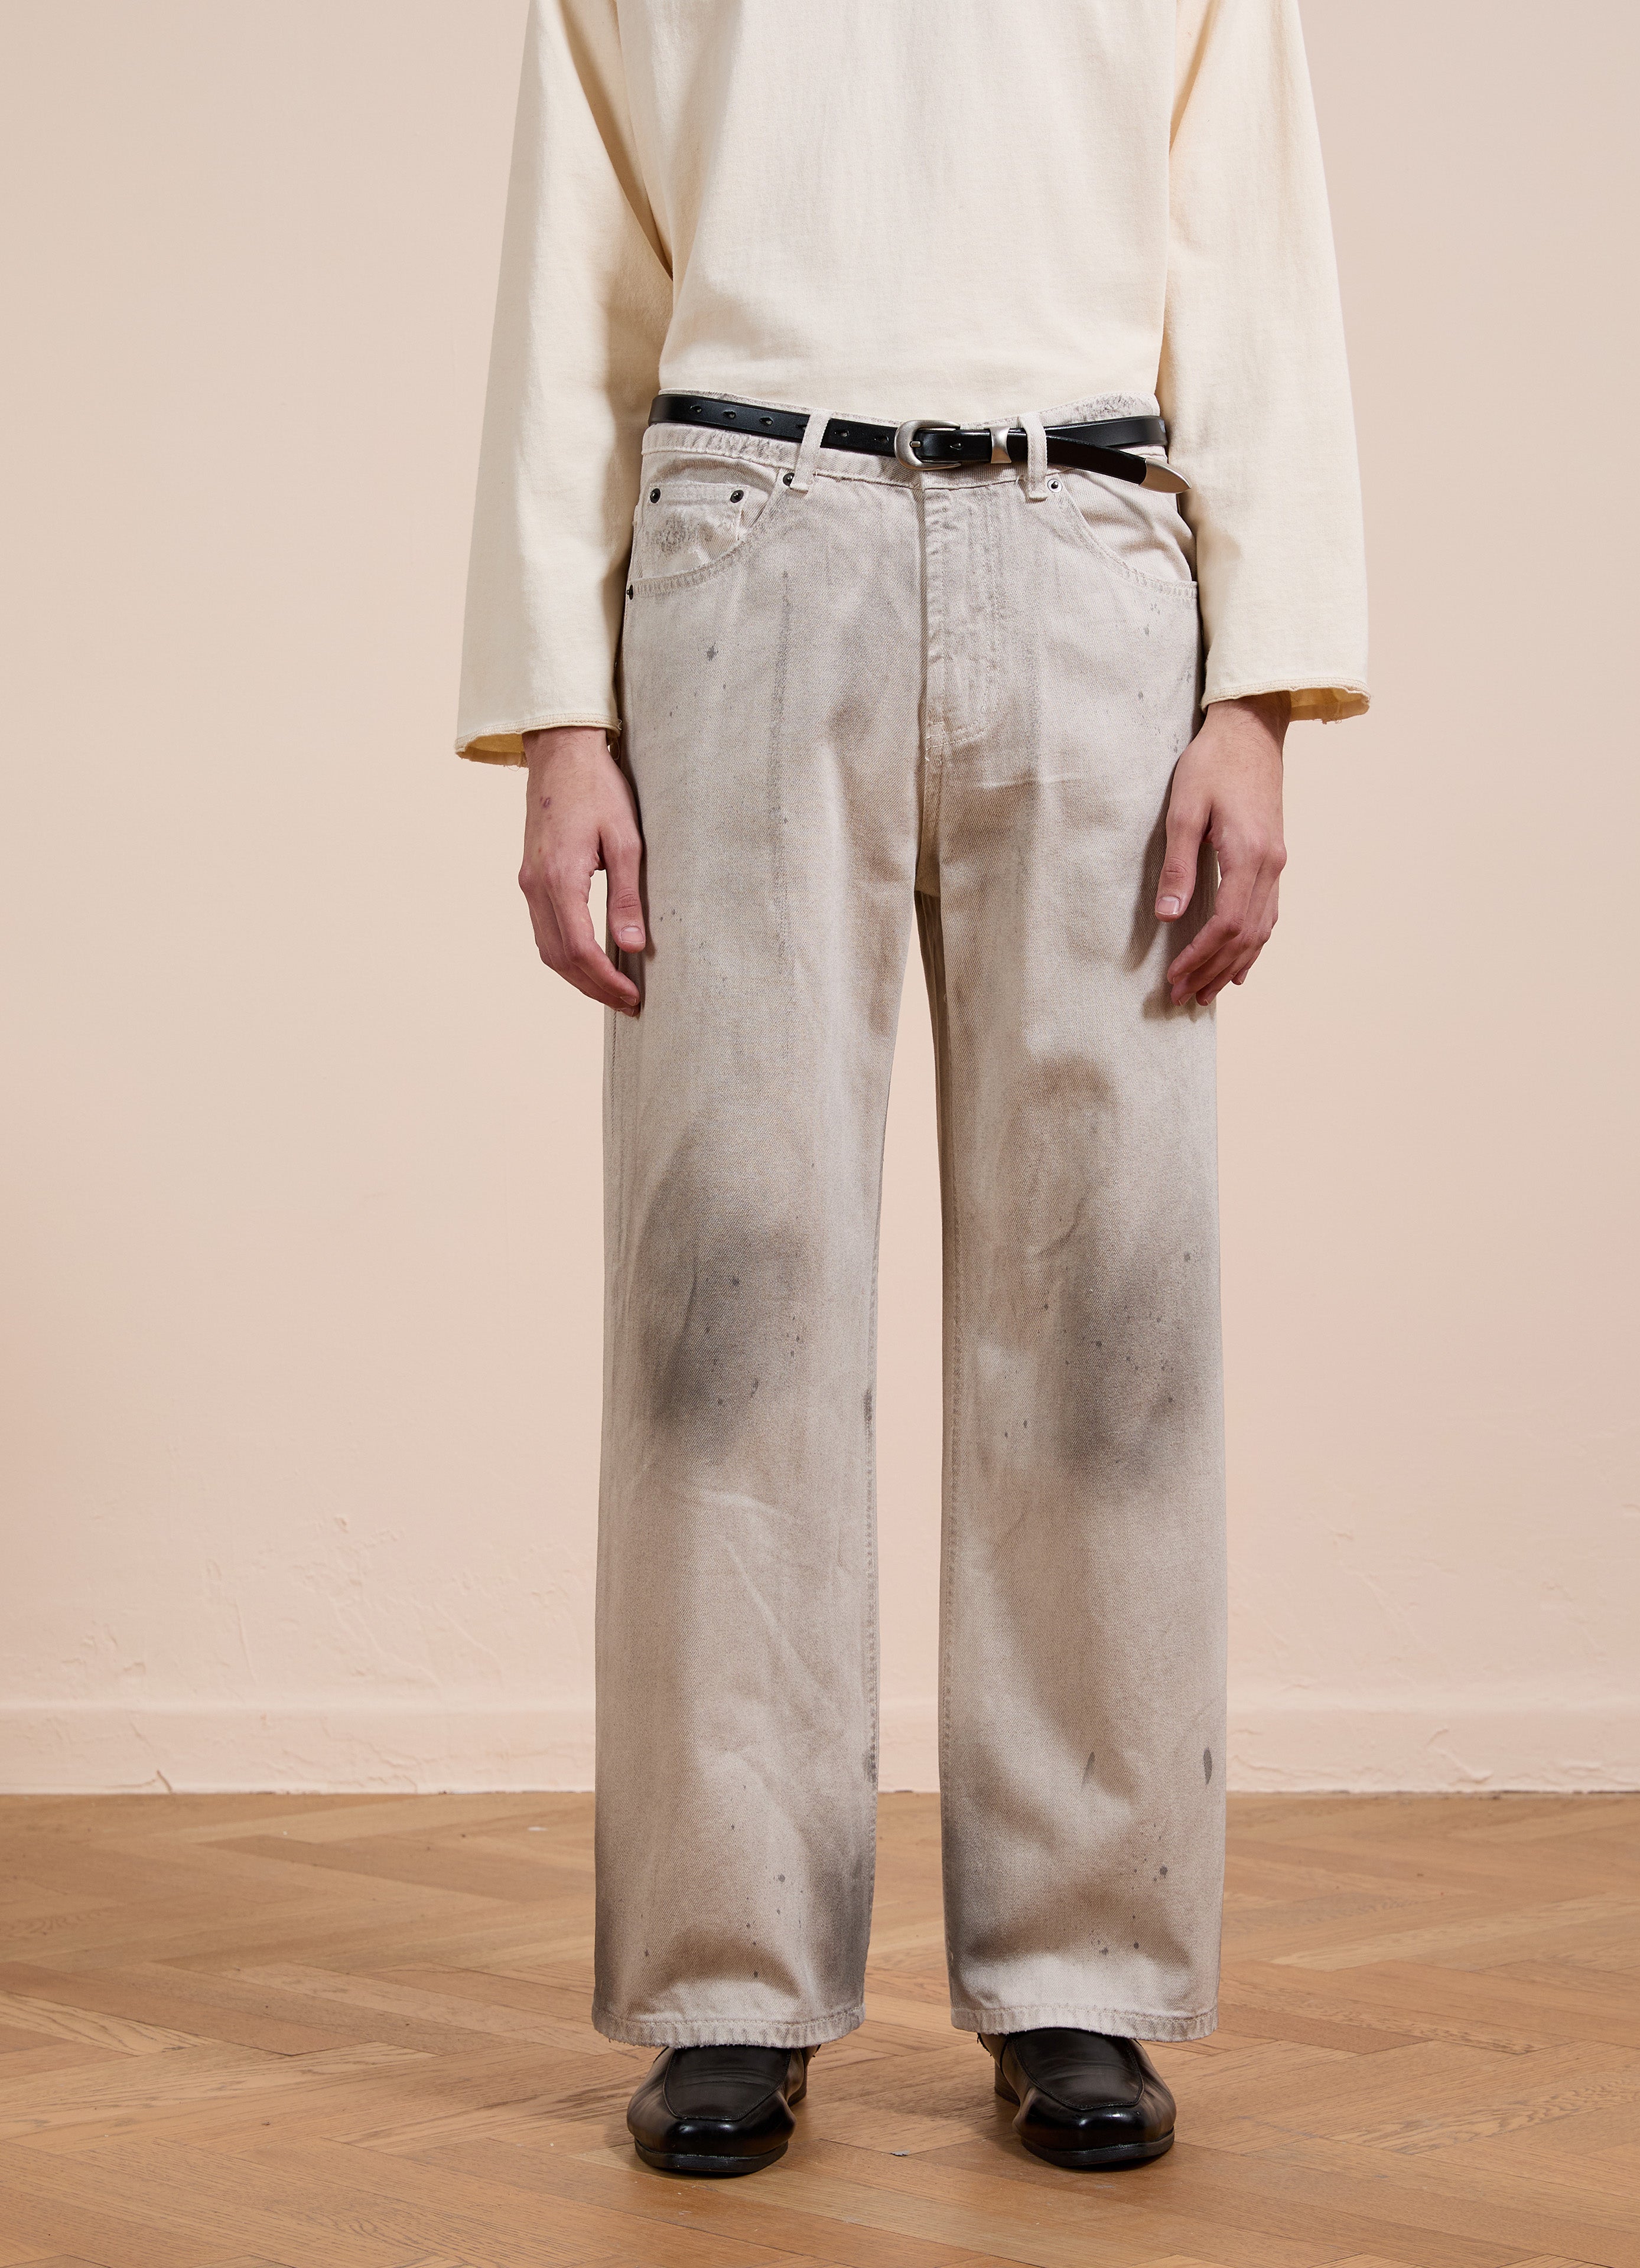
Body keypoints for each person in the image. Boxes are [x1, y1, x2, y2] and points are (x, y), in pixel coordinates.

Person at [457, 0, 1367, 2179]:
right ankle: (724, 1984)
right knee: (725, 1306)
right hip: (747, 530)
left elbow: (1253, 246)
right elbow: (576, 250)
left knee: (1109, 1309)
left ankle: (1081, 1975)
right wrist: (559, 714)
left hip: (1094, 543)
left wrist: (1261, 695)